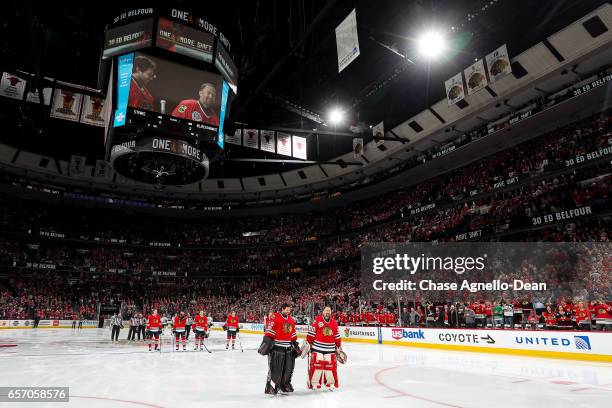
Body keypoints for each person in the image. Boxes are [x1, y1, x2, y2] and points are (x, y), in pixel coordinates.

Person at [258, 303, 299, 395]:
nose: (288, 311)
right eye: (287, 310)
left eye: (289, 310)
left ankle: (284, 386)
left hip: (288, 348)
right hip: (277, 348)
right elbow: (269, 333)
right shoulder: (275, 317)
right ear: (282, 309)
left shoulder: (291, 320)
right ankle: (272, 387)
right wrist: (268, 344)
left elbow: (293, 335)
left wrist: (295, 345)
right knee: (275, 370)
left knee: (287, 369)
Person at [305, 306, 343, 389]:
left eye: (329, 311)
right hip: (317, 348)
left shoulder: (334, 322)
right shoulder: (317, 320)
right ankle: (315, 383)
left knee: (330, 367)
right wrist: (309, 343)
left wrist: (339, 346)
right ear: (323, 311)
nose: (328, 312)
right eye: (326, 310)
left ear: (331, 312)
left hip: (330, 349)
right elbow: (311, 332)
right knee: (317, 366)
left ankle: (330, 383)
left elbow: (337, 336)